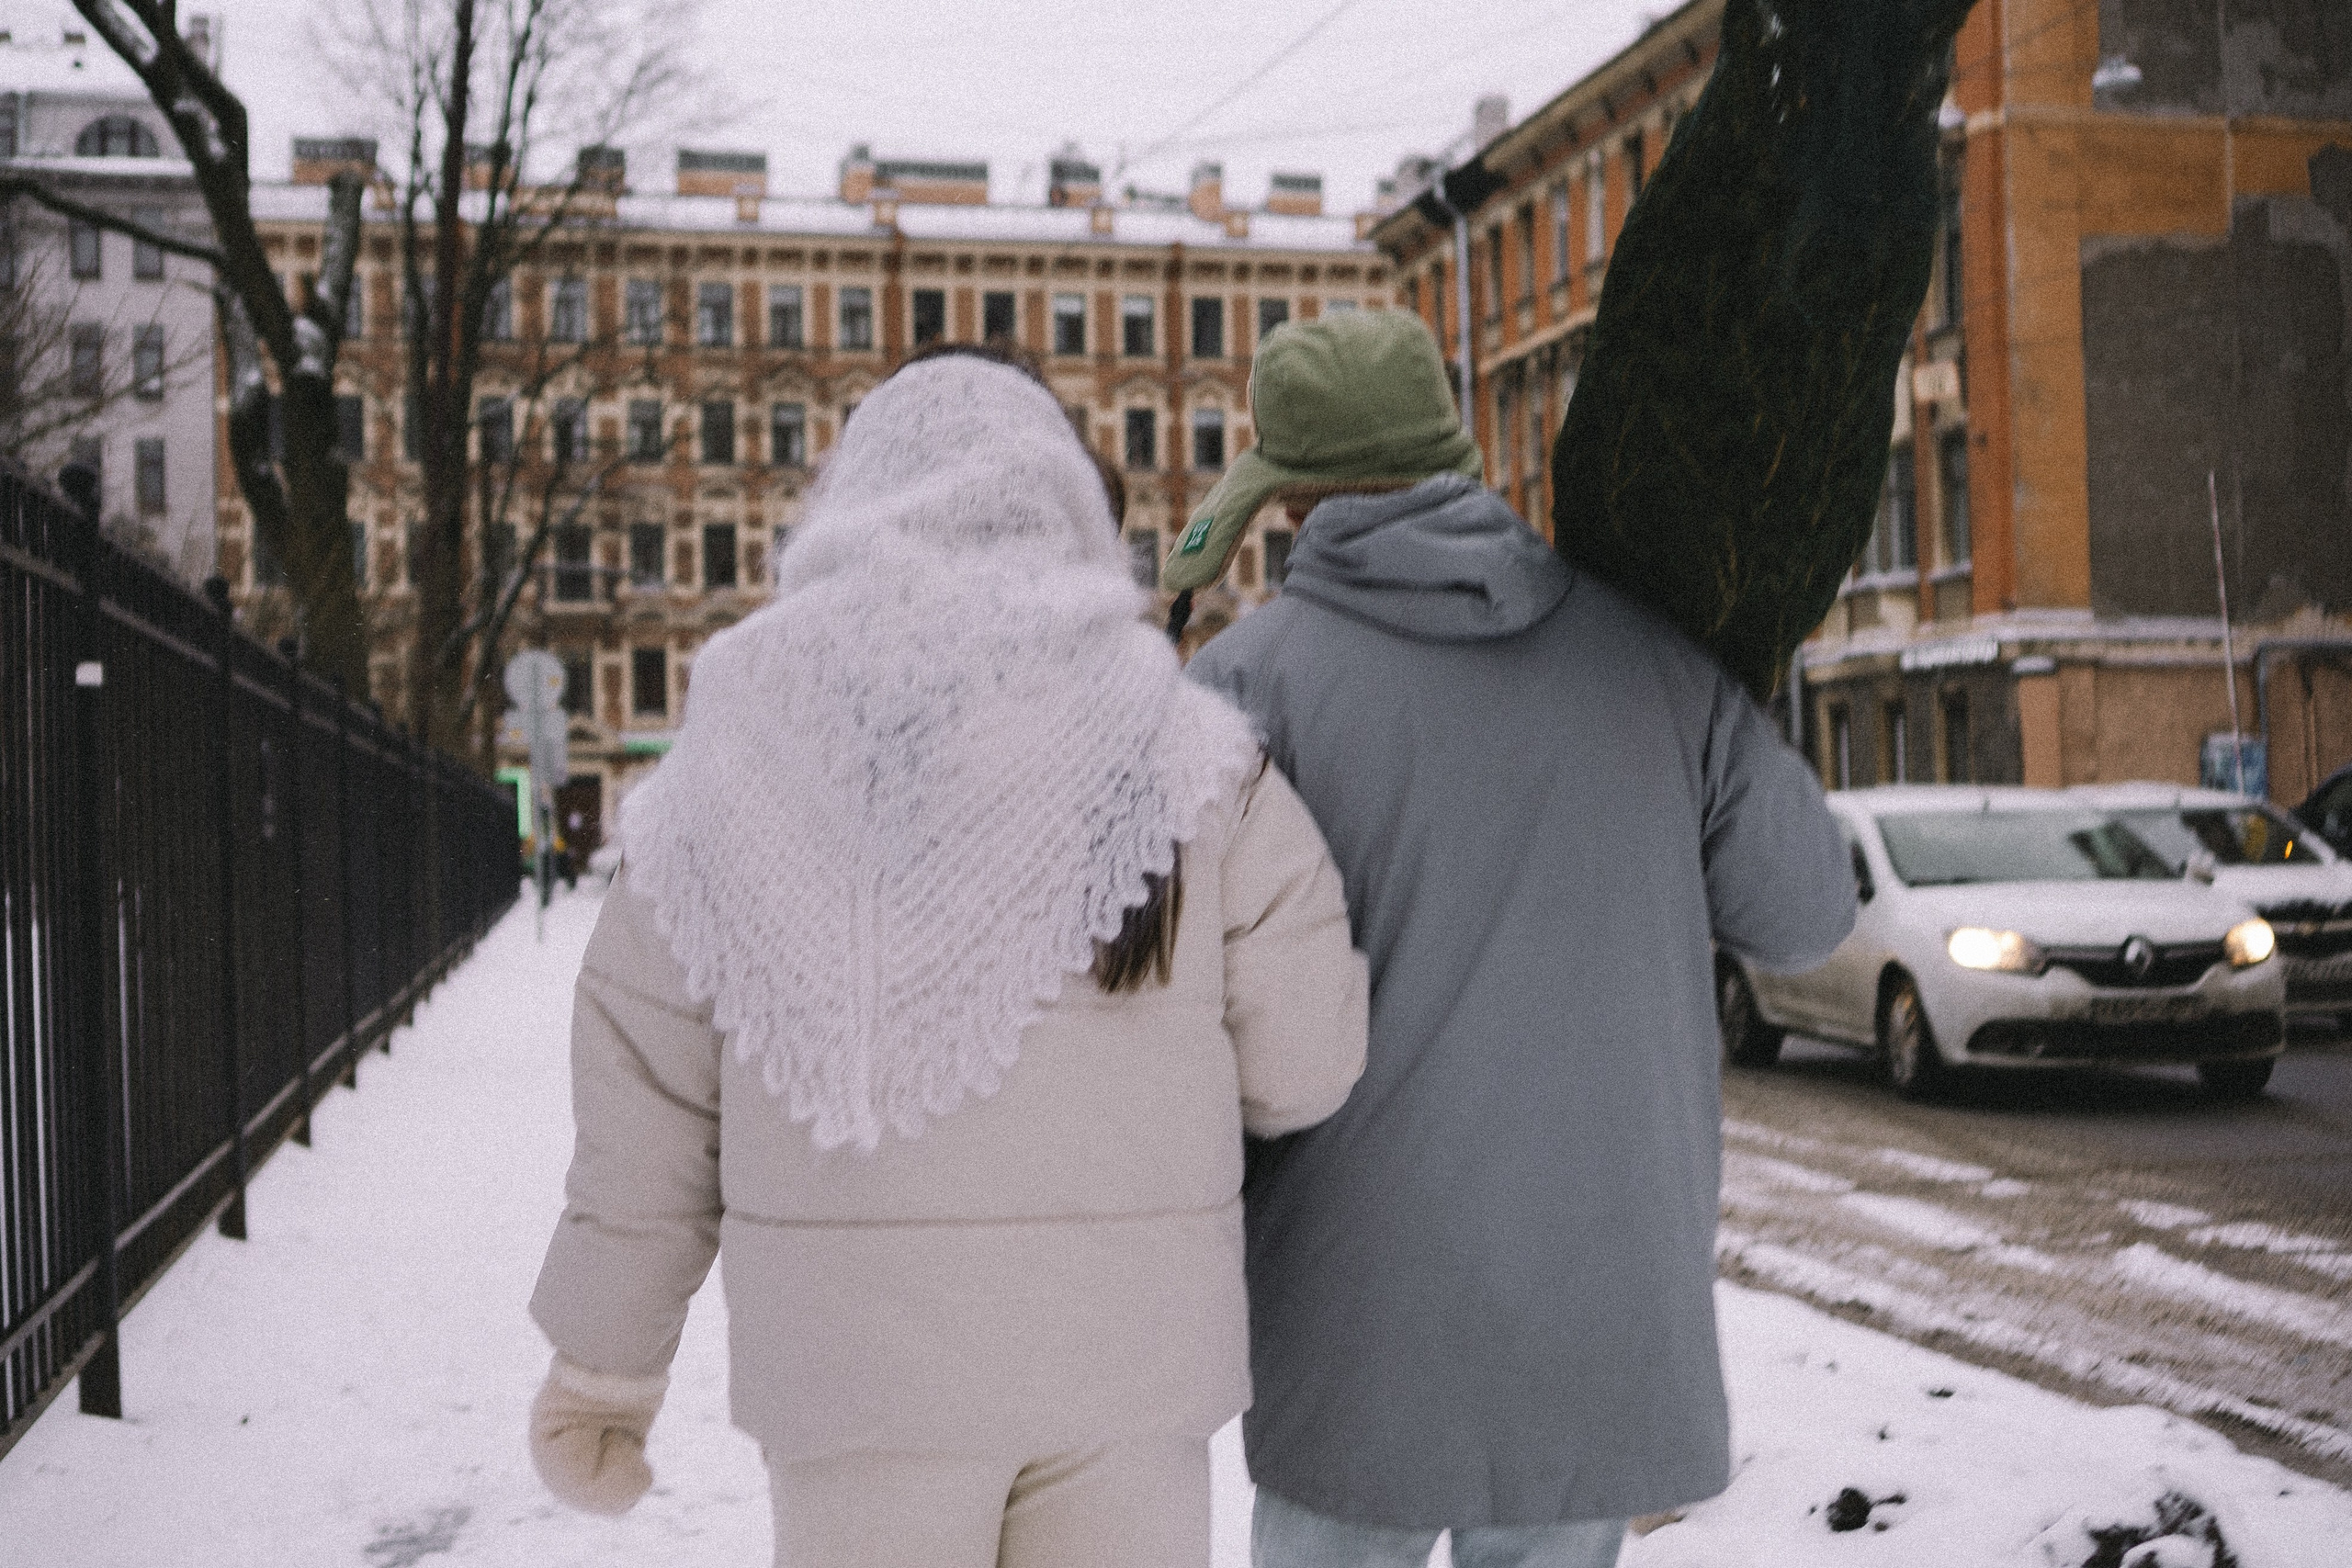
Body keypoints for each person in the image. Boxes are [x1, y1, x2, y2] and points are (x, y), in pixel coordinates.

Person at [524, 348, 1367, 1568]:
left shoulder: (730, 748)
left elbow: (645, 1116)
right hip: (1125, 1363)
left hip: (854, 1382)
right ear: (1064, 506)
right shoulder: (1188, 752)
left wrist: (603, 1372)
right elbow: (1305, 1065)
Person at [1172, 310, 1857, 1567]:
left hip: (1349, 1313)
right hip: (1599, 1319)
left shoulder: (1243, 685)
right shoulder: (1658, 665)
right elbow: (1809, 916)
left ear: (1296, 497)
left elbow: (1162, 998)